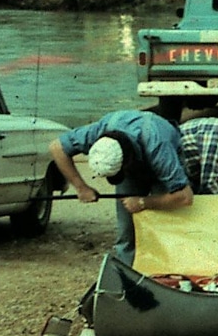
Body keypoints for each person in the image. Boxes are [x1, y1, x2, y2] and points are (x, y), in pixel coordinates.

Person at [49, 110, 194, 264]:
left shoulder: (159, 148)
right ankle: (128, 274)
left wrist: (143, 202)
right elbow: (57, 148)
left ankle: (164, 274)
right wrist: (81, 187)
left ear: (127, 163)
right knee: (127, 231)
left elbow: (184, 197)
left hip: (161, 151)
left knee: (163, 224)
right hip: (135, 150)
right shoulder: (98, 132)